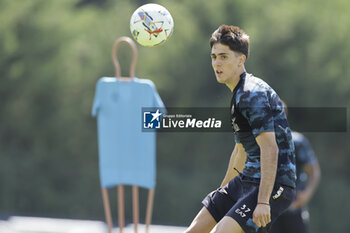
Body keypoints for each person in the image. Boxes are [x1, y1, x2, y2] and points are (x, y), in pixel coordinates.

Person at [184, 25, 296, 233]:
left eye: (224, 57)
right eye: (214, 57)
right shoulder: (238, 94)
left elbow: (270, 149)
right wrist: (223, 191)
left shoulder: (252, 94)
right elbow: (241, 151)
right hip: (247, 179)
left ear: (241, 60)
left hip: (274, 186)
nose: (217, 63)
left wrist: (263, 202)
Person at [270, 103, 321, 233]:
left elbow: (313, 170)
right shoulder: (262, 142)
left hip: (294, 208)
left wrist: (307, 194)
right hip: (269, 211)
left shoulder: (297, 142)